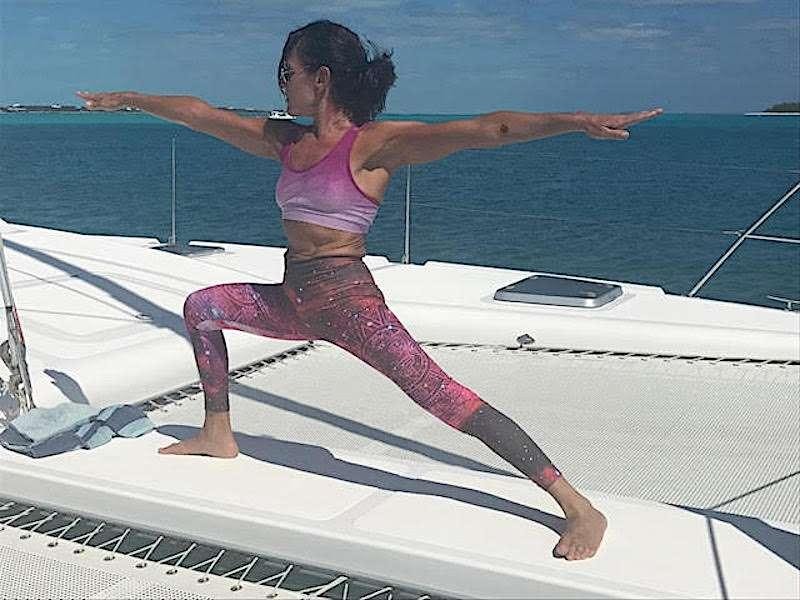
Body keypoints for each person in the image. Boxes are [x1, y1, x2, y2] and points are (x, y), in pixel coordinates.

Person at [78, 19, 663, 561]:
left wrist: (576, 121)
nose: (281, 86)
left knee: (444, 397)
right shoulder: (287, 142)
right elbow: (202, 113)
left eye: (287, 73)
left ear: (320, 78)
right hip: (295, 300)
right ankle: (217, 433)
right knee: (202, 307)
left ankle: (579, 508)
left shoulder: (374, 145)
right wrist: (129, 98)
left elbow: (489, 128)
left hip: (351, 304)